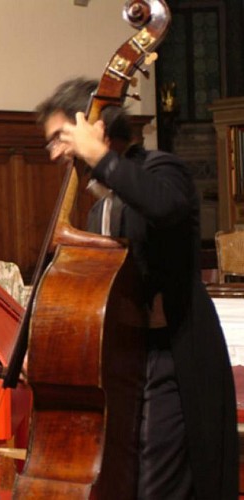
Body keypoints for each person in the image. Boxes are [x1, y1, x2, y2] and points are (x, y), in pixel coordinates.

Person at [35, 77, 238, 499]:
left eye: (61, 138)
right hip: (123, 367)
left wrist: (101, 158)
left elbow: (163, 207)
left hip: (174, 360)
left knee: (158, 484)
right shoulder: (98, 210)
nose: (55, 153)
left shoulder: (162, 171)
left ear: (95, 128)